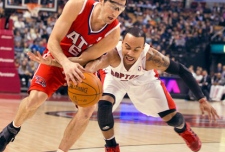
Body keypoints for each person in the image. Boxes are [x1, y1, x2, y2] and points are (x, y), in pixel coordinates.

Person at [28, 27, 219, 152]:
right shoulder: (113, 55)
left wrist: (202, 99)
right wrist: (54, 62)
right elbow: (87, 65)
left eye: (135, 49)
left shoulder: (152, 57)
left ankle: (184, 130)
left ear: (143, 48)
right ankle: (111, 146)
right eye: (127, 47)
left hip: (144, 81)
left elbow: (182, 71)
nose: (130, 52)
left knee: (172, 118)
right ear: (122, 44)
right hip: (115, 80)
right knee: (104, 105)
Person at [0, 0, 128, 152]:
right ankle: (11, 129)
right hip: (57, 53)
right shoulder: (77, 5)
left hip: (81, 66)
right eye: (113, 6)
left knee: (87, 110)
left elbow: (84, 60)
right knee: (35, 99)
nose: (115, 13)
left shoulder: (113, 34)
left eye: (120, 9)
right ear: (102, 0)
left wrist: (68, 65)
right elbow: (53, 40)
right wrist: (62, 63)